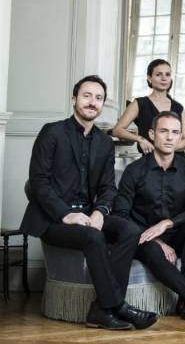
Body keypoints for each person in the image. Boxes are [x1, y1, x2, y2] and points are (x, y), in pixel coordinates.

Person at [20, 76, 159, 330]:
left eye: (98, 98)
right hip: (52, 220)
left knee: (129, 230)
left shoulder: (105, 142)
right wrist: (64, 214)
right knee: (92, 238)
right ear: (74, 100)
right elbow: (38, 182)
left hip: (87, 214)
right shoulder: (52, 132)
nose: (92, 102)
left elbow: (108, 187)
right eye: (87, 96)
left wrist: (100, 212)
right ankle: (119, 306)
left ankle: (101, 309)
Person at [114, 111, 185, 321]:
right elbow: (121, 215)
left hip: (176, 234)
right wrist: (156, 239)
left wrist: (167, 223)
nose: (169, 137)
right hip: (144, 237)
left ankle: (184, 301)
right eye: (164, 131)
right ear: (152, 134)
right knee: (153, 250)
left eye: (175, 132)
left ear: (180, 137)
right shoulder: (134, 171)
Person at [112, 59, 185, 154]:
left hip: (177, 160)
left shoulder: (178, 107)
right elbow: (117, 130)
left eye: (167, 74)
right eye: (158, 74)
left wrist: (166, 149)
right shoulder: (139, 103)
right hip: (150, 161)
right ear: (149, 78)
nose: (164, 78)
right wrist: (140, 139)